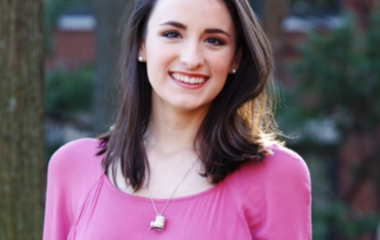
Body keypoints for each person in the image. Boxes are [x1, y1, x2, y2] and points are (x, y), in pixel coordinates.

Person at [43, 0, 311, 239]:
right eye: (172, 34)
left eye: (214, 40)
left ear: (235, 58)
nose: (191, 58)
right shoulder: (72, 167)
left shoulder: (276, 174)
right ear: (141, 45)